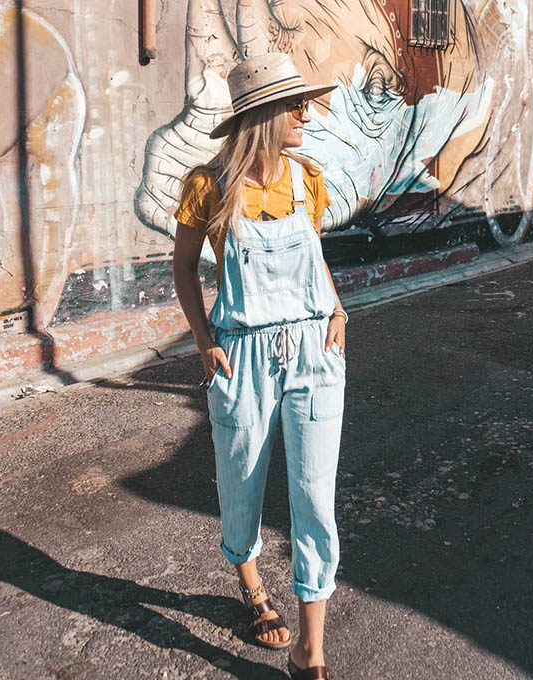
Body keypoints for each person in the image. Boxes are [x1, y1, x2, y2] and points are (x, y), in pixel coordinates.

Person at [172, 53, 346, 680]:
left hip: (313, 350)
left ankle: (311, 652)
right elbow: (183, 268)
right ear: (265, 115)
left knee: (315, 495)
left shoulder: (308, 180)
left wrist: (338, 309)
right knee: (240, 479)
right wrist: (203, 340)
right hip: (241, 354)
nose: (306, 115)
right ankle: (250, 584)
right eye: (295, 105)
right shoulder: (208, 186)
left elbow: (314, 260)